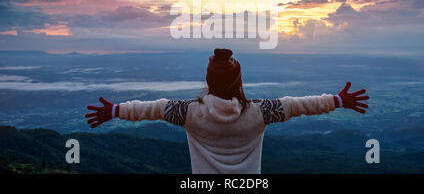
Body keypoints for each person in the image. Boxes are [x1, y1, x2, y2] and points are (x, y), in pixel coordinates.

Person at [85, 48, 369, 174]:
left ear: (208, 81)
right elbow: (297, 105)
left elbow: (154, 109)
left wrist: (115, 110)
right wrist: (338, 100)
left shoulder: (188, 113)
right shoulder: (260, 113)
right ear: (239, 82)